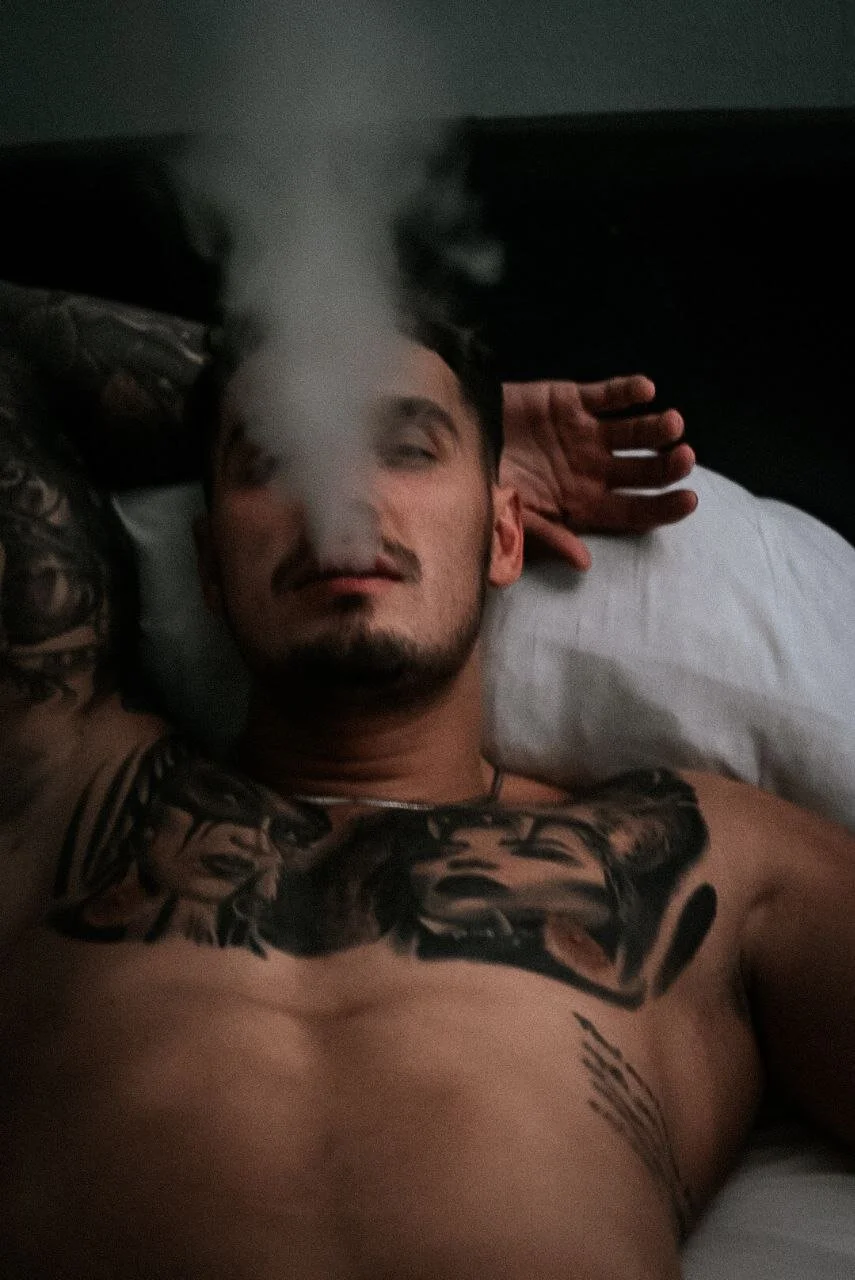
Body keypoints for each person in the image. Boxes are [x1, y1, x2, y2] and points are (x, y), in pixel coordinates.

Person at [1, 285, 852, 1280]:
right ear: (208, 567)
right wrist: (470, 415)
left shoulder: (699, 859)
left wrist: (463, 413)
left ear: (503, 534)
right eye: (281, 456)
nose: (342, 499)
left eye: (406, 450)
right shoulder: (65, 795)